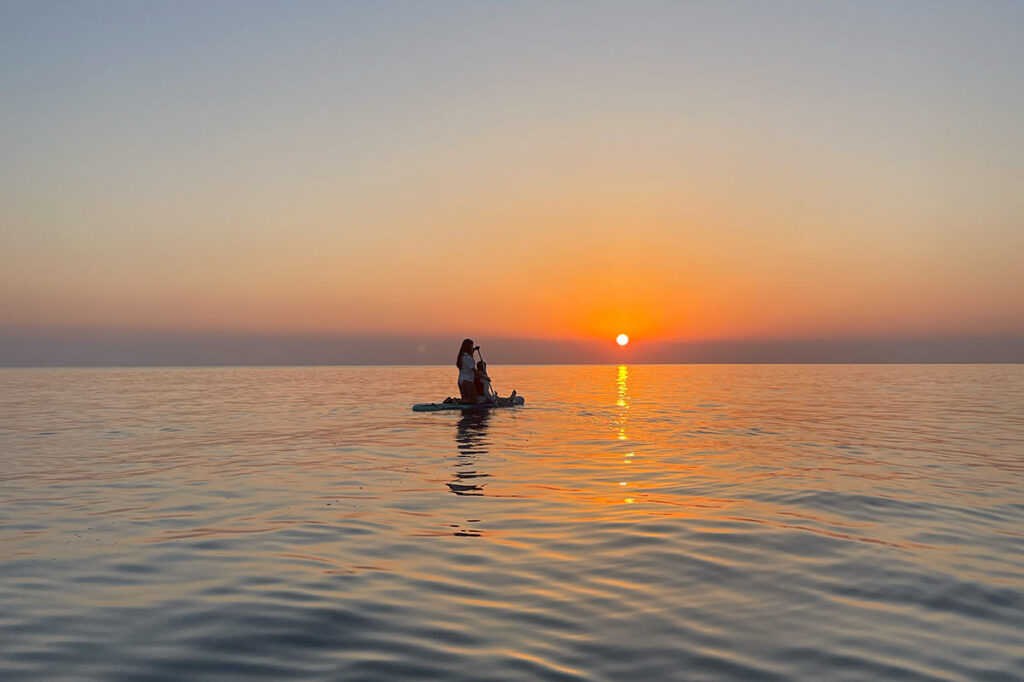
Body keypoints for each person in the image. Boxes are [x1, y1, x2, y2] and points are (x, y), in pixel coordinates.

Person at [456, 338, 479, 404]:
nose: (472, 347)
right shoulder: (468, 358)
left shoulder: (461, 357)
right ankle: (454, 401)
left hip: (461, 381)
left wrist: (474, 350)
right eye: (471, 346)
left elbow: (469, 358)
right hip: (468, 381)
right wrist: (484, 377)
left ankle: (454, 401)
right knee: (473, 400)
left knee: (465, 400)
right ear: (468, 347)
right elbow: (474, 371)